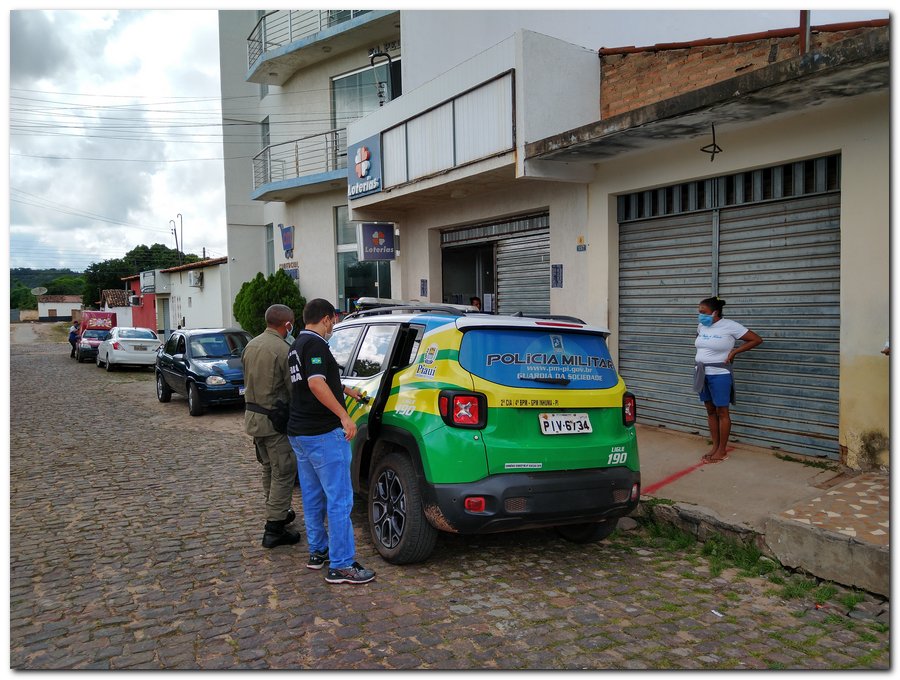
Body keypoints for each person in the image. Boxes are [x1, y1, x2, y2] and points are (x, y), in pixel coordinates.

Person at [287, 298, 375, 584]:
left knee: (313, 496)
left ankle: (319, 552)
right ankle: (342, 565)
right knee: (340, 500)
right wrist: (344, 416)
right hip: (322, 433)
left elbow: (322, 379)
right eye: (333, 321)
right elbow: (316, 383)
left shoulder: (296, 345)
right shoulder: (316, 345)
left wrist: (348, 391)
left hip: (300, 432)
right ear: (326, 318)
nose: (334, 326)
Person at [242, 304, 300, 549]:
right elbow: (293, 388)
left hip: (254, 418)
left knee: (269, 468)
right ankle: (274, 528)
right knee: (284, 471)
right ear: (287, 324)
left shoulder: (251, 345)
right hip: (275, 420)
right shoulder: (283, 349)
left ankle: (277, 511)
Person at [693, 296, 762, 464]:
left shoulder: (730, 326)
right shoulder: (702, 326)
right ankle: (715, 447)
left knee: (722, 411)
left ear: (715, 312)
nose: (700, 315)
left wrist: (734, 352)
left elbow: (756, 339)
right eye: (699, 312)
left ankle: (722, 451)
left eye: (704, 312)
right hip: (701, 372)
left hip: (720, 374)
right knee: (710, 410)